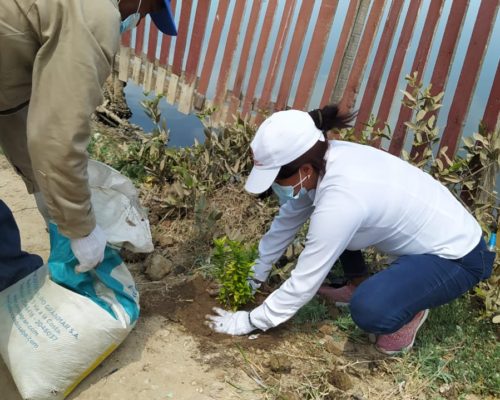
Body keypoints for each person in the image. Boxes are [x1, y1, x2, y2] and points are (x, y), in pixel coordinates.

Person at [206, 105, 495, 354]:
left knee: (370, 308)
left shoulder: (342, 197)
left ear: (304, 170)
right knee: (331, 227)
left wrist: (252, 321)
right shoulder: (324, 161)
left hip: (459, 257)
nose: (273, 189)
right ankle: (358, 283)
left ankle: (411, 309)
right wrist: (253, 278)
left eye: (275, 180)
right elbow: (284, 224)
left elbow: (305, 280)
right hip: (428, 241)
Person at [0, 0, 176, 288]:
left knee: (10, 267)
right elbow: (59, 135)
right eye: (147, 12)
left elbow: (14, 109)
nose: (138, 22)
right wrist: (80, 228)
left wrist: (44, 190)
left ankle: (16, 290)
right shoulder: (94, 14)